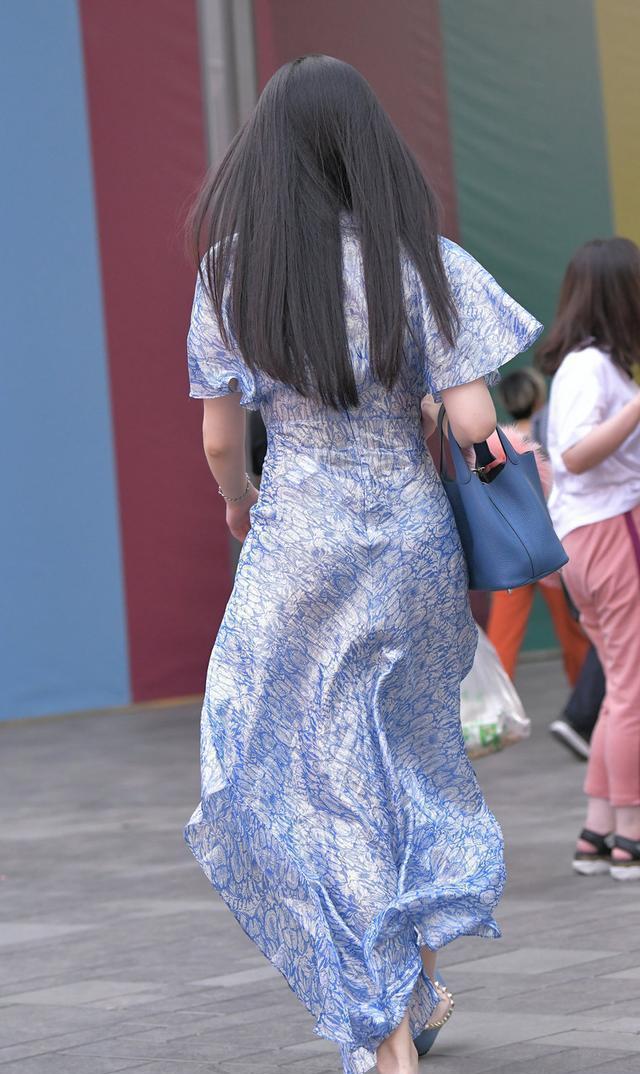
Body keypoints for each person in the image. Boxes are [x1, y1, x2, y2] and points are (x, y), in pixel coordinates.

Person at [183, 56, 542, 1074]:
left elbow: (220, 440)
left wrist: (240, 502)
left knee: (301, 769)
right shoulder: (421, 259)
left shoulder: (232, 270)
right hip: (410, 542)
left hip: (298, 539)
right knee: (405, 753)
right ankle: (414, 989)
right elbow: (471, 421)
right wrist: (466, 437)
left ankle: (386, 1037)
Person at [540, 237, 640, 881]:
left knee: (621, 687)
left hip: (584, 537)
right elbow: (576, 455)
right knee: (633, 689)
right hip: (612, 533)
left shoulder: (583, 366)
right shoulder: (593, 367)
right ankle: (630, 834)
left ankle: (599, 830)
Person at [485, 369, 590, 685]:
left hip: (511, 548)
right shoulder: (553, 438)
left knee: (502, 635)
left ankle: (497, 706)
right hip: (553, 547)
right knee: (573, 631)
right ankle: (586, 701)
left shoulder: (497, 445)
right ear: (539, 397)